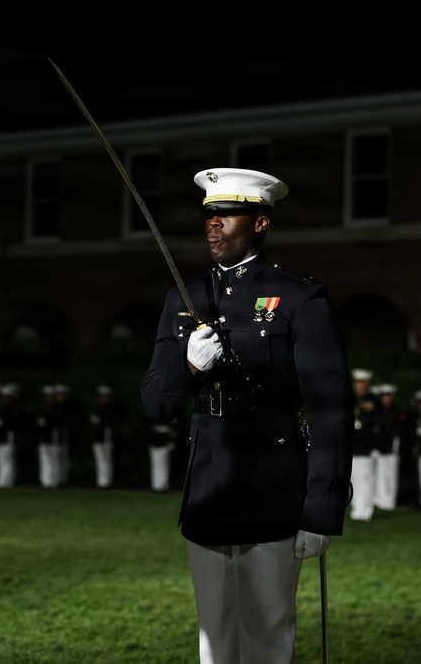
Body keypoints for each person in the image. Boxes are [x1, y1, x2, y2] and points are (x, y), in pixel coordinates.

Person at [142, 168, 353, 664]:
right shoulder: (185, 299)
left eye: (227, 215)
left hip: (273, 491)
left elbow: (331, 409)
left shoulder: (300, 296)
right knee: (213, 640)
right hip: (210, 489)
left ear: (260, 222)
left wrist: (322, 509)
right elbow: (156, 404)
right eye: (209, 215)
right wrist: (191, 366)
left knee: (265, 637)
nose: (213, 225)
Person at [349, 369, 378, 521]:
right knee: (353, 479)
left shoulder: (374, 400)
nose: (360, 385)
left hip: (366, 446)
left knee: (365, 479)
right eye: (358, 382)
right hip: (352, 445)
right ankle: (356, 509)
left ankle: (364, 511)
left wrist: (375, 445)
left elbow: (378, 424)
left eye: (363, 382)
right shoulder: (351, 398)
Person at [372, 383, 403, 510]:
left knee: (389, 475)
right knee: (378, 475)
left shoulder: (397, 411)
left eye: (389, 396)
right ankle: (378, 499)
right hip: (377, 448)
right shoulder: (377, 411)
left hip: (391, 448)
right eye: (384, 396)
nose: (386, 399)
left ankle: (388, 502)